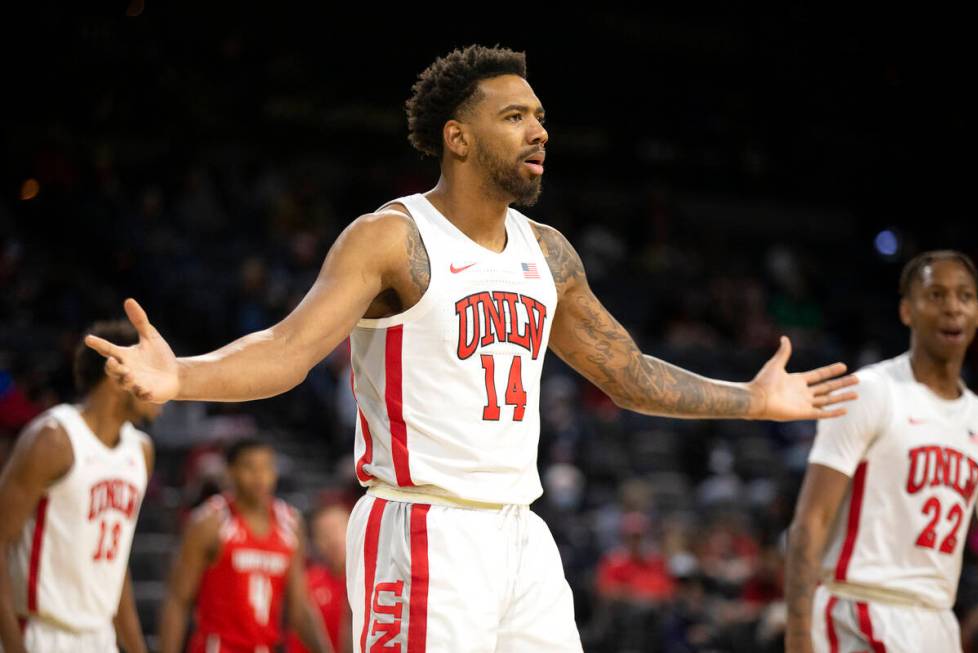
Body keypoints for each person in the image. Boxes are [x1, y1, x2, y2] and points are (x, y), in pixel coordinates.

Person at [85, 44, 857, 652]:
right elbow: (288, 349)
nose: (540, 130)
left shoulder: (548, 252)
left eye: (541, 116)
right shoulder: (393, 237)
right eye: (516, 115)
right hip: (424, 530)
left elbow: (627, 372)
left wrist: (751, 399)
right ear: (457, 137)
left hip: (521, 531)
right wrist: (180, 374)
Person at [785, 250, 978, 653]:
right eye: (937, 295)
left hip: (937, 620)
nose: (952, 309)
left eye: (965, 296)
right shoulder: (870, 391)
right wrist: (798, 634)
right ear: (907, 311)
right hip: (858, 608)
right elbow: (811, 519)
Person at [0, 321, 159, 653]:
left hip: (100, 636)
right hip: (41, 632)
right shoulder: (54, 438)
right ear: (117, 373)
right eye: (154, 370)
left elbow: (116, 566)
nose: (166, 387)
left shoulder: (141, 451)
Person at [158, 438, 331, 653]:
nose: (260, 476)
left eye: (267, 466)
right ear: (230, 472)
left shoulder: (291, 523)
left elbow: (300, 607)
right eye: (250, 467)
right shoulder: (209, 522)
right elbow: (178, 601)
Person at [287, 503, 353, 653]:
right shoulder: (307, 584)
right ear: (316, 543)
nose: (334, 539)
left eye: (339, 529)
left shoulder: (374, 579)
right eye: (325, 533)